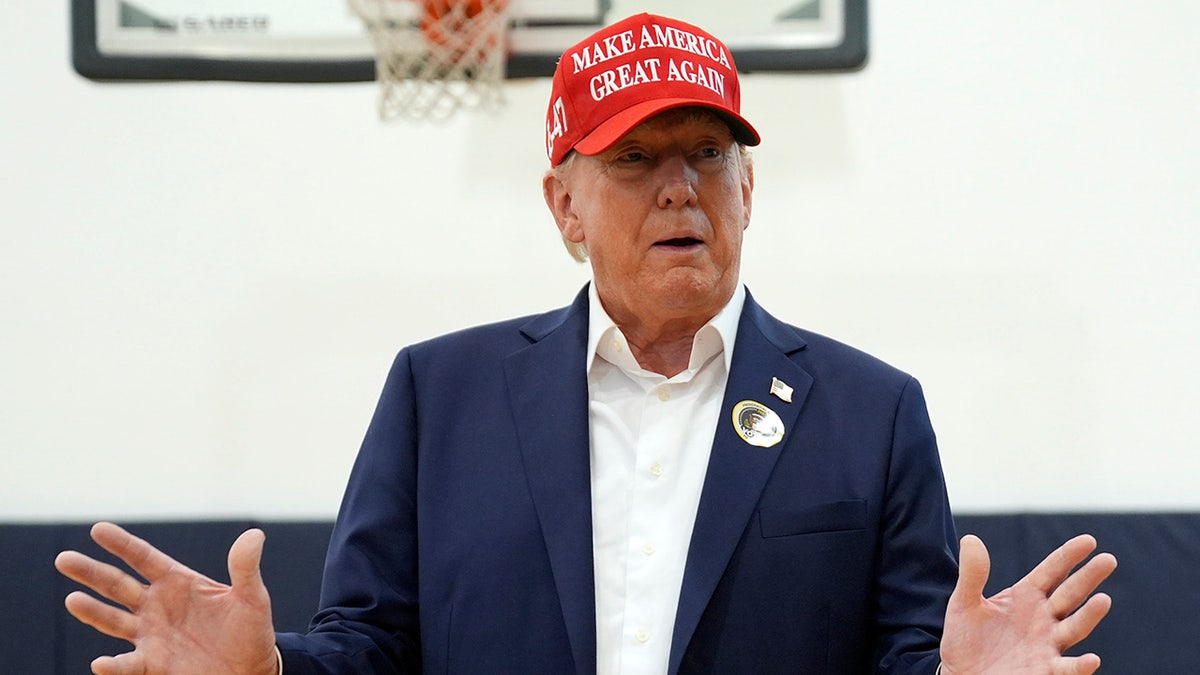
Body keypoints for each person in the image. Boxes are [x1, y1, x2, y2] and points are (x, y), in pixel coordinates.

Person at [55, 13, 1117, 675]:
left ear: (748, 190)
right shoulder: (440, 395)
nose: (677, 186)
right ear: (564, 204)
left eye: (708, 153)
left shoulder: (873, 411)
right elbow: (371, 649)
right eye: (634, 157)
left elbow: (903, 658)